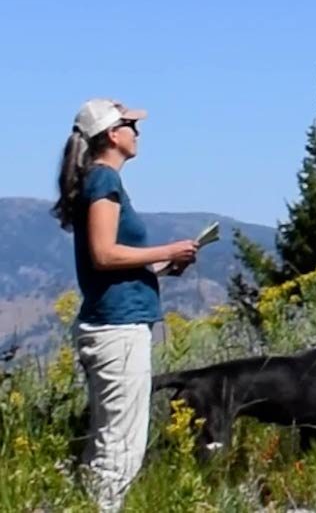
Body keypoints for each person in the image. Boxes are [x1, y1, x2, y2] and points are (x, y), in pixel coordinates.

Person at [51, 98, 200, 513]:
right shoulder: (104, 182)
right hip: (118, 328)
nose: (137, 133)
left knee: (107, 439)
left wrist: (165, 265)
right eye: (131, 126)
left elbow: (115, 258)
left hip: (114, 324)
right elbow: (103, 254)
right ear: (113, 136)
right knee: (120, 447)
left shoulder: (100, 181)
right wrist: (168, 248)